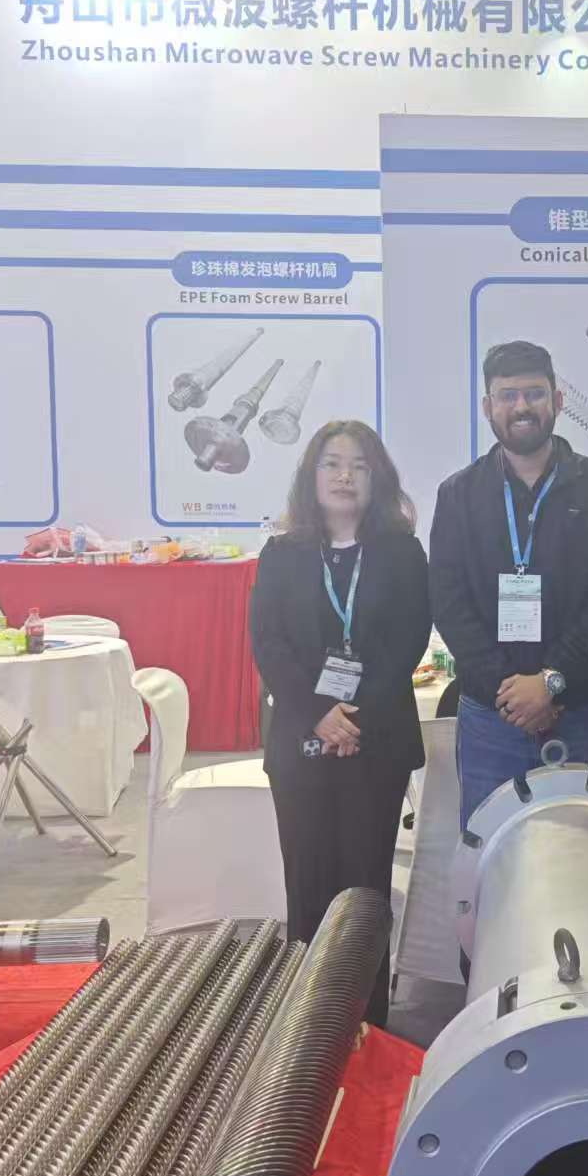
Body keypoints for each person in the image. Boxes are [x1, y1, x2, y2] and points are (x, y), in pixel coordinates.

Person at [250, 419, 431, 1025]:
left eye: (358, 464)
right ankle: (304, 1031)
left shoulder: (402, 552)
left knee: (365, 888)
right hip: (301, 742)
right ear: (312, 474)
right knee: (307, 883)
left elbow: (408, 640)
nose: (345, 475)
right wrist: (317, 715)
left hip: (375, 744)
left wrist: (353, 718)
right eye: (332, 462)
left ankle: (366, 1026)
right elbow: (268, 644)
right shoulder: (282, 554)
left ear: (378, 478)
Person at [430, 339, 588, 827]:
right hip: (490, 718)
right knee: (490, 852)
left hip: (577, 712)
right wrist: (510, 693)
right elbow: (448, 602)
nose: (521, 406)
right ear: (488, 407)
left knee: (579, 850)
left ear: (557, 401)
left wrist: (550, 682)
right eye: (507, 395)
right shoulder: (459, 494)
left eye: (534, 393)